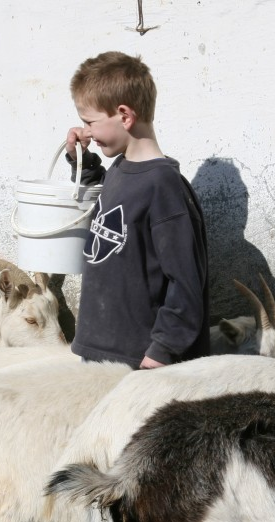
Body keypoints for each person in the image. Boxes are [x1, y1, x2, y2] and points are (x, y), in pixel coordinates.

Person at [65, 51, 210, 370]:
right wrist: (81, 160)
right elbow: (112, 205)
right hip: (101, 355)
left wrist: (162, 351)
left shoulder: (164, 187)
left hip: (139, 364)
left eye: (90, 122)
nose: (85, 131)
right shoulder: (120, 168)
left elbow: (186, 282)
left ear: (124, 115)